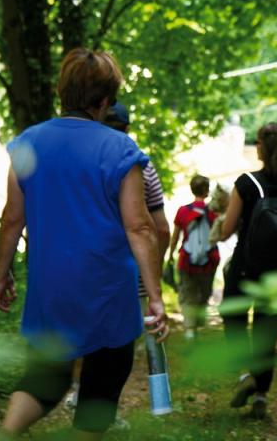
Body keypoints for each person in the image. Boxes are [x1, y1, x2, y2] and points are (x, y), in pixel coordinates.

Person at [0, 47, 169, 440]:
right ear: (106, 101)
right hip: (107, 291)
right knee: (102, 384)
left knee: (45, 378)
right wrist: (155, 295)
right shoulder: (121, 149)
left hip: (49, 288)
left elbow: (12, 219)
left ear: (62, 92)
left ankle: (5, 433)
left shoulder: (27, 144)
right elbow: (140, 227)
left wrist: (1, 275)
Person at [65, 101, 171, 411]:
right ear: (127, 129)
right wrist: (153, 268)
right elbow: (161, 229)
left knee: (90, 336)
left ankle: (78, 392)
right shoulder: (140, 165)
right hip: (130, 274)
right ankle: (139, 405)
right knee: (128, 343)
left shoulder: (77, 165)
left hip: (86, 269)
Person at [219, 123, 277, 419]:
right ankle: (260, 397)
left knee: (232, 317)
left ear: (262, 148)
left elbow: (226, 230)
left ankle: (246, 373)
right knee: (267, 334)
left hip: (245, 268)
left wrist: (223, 221)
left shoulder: (246, 184)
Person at [168, 175, 220, 339]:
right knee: (204, 293)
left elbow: (175, 236)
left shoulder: (183, 211)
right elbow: (219, 234)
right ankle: (197, 323)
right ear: (206, 191)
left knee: (188, 292)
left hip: (187, 260)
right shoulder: (213, 212)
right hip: (209, 261)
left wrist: (170, 254)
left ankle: (190, 329)